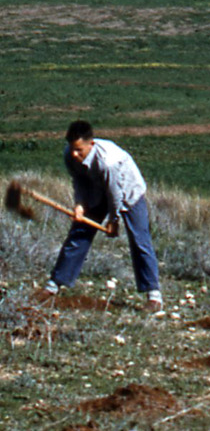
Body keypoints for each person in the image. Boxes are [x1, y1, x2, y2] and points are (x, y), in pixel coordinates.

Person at [46, 120, 163, 313]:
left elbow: (115, 194)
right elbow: (79, 181)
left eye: (80, 150)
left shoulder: (108, 161)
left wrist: (114, 221)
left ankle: (154, 295)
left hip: (128, 190)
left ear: (90, 145)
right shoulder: (70, 155)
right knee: (79, 233)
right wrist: (80, 205)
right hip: (96, 189)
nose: (75, 154)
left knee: (140, 240)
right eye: (72, 149)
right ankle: (54, 285)